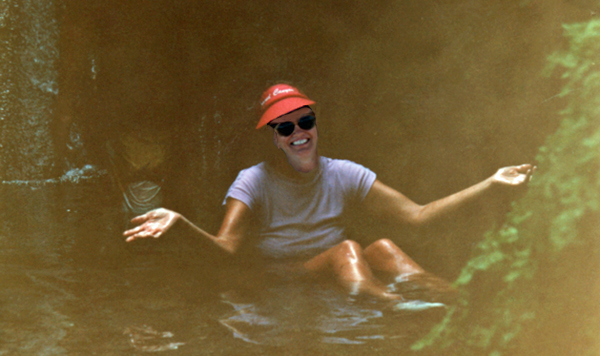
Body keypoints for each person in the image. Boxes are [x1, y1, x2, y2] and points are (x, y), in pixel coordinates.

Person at [124, 84, 535, 301]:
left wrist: (492, 183)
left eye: (305, 121)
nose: (298, 132)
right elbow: (227, 249)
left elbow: (419, 216)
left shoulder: (345, 174)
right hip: (283, 278)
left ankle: (457, 302)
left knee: (385, 248)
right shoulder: (253, 181)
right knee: (348, 249)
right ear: (273, 140)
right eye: (284, 127)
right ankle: (399, 311)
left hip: (337, 269)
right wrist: (180, 223)